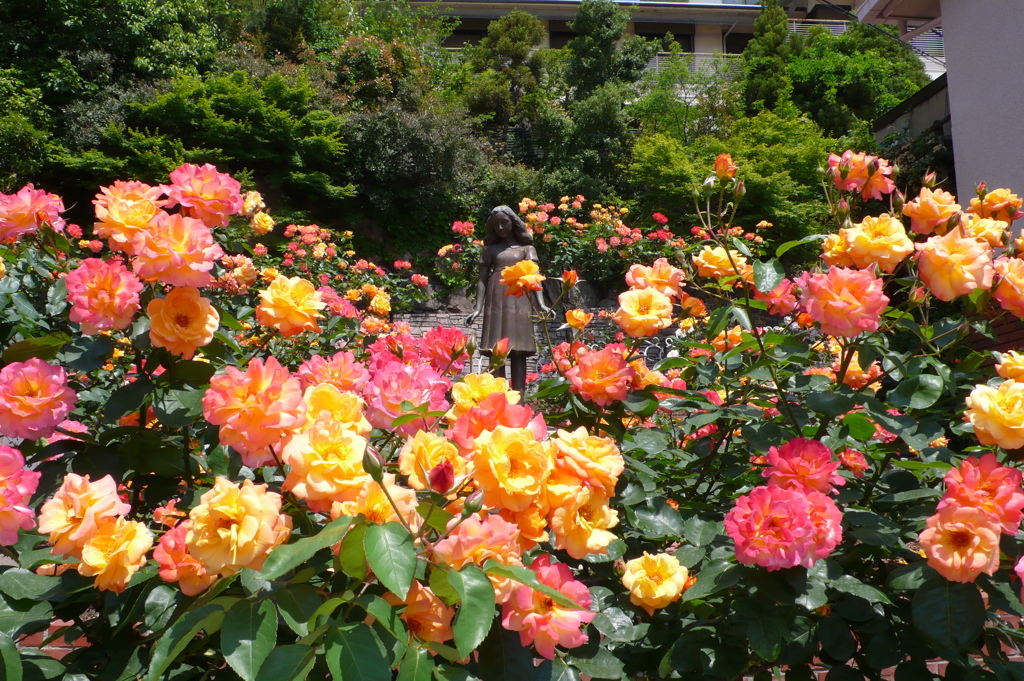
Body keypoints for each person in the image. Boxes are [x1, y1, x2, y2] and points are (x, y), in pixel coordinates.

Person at [466, 206, 550, 392]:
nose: (501, 227)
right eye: (496, 225)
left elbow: (534, 276)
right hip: (496, 298)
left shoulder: (527, 249)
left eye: (504, 222)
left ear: (513, 223)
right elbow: (482, 279)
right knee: (497, 350)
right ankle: (499, 398)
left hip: (520, 298)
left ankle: (519, 401)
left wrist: (541, 304)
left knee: (518, 351)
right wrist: (477, 308)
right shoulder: (489, 250)